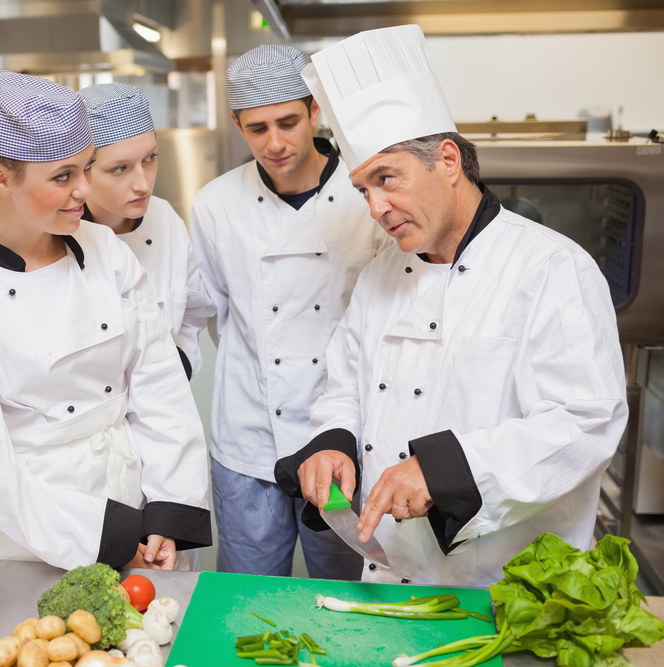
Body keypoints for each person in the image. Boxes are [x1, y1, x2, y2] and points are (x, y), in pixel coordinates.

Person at [276, 24, 627, 586]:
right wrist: (333, 443)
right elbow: (344, 388)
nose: (376, 207)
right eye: (364, 189)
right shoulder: (380, 276)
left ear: (447, 160)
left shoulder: (550, 269)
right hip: (391, 577)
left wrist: (447, 471)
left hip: (507, 583)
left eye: (387, 179)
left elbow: (584, 425)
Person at [0, 71, 211, 571]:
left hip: (139, 503)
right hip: (34, 534)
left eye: (85, 169)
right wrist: (110, 538)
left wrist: (167, 511)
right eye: (62, 176)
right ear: (0, 180)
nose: (83, 191)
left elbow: (160, 387)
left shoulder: (106, 251)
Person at [190, 45, 390, 578]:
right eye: (257, 129)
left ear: (314, 112)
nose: (274, 144)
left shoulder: (365, 192)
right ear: (237, 124)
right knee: (246, 599)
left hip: (342, 436)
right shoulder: (215, 204)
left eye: (287, 122)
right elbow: (216, 312)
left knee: (347, 593)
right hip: (249, 432)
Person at [78, 83, 215, 380]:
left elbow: (191, 313)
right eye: (120, 169)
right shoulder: (57, 236)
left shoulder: (164, 217)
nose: (143, 184)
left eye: (150, 159)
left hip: (166, 410)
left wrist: (179, 365)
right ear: (83, 170)